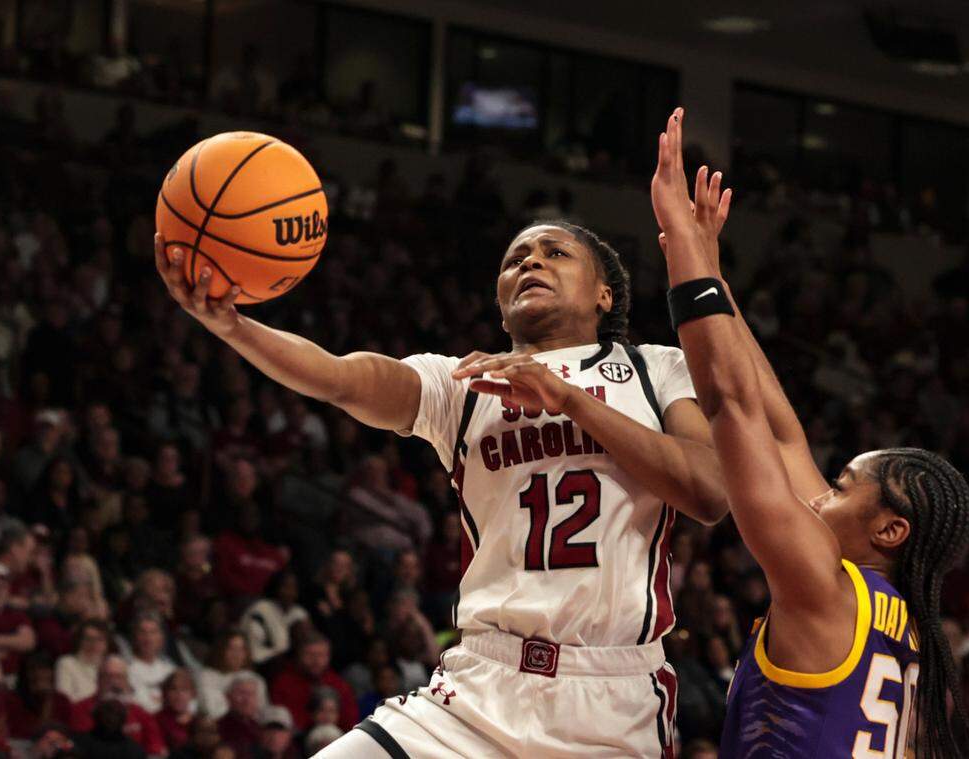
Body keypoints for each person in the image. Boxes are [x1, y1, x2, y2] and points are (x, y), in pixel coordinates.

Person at [154, 130, 731, 753]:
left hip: (611, 696)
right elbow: (338, 376)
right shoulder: (461, 382)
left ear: (604, 294)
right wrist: (235, 327)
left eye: (553, 253)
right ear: (502, 304)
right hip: (478, 687)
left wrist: (568, 400)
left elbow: (709, 492)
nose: (529, 262)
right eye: (515, 260)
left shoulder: (655, 368)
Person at [649, 107, 969, 758]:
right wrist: (714, 275)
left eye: (841, 486)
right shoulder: (908, 622)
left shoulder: (820, 586)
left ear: (890, 529)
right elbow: (780, 434)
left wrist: (678, 245)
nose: (821, 495)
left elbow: (730, 407)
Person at [197, 630, 268, 720]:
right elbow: (211, 709)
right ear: (221, 650)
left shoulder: (255, 679)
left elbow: (261, 712)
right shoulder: (206, 676)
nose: (237, 655)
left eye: (241, 649)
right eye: (231, 648)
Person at [55, 619, 110, 702]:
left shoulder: (111, 667)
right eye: (88, 639)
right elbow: (65, 700)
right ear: (79, 641)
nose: (94, 644)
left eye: (99, 639)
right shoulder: (67, 664)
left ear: (106, 644)